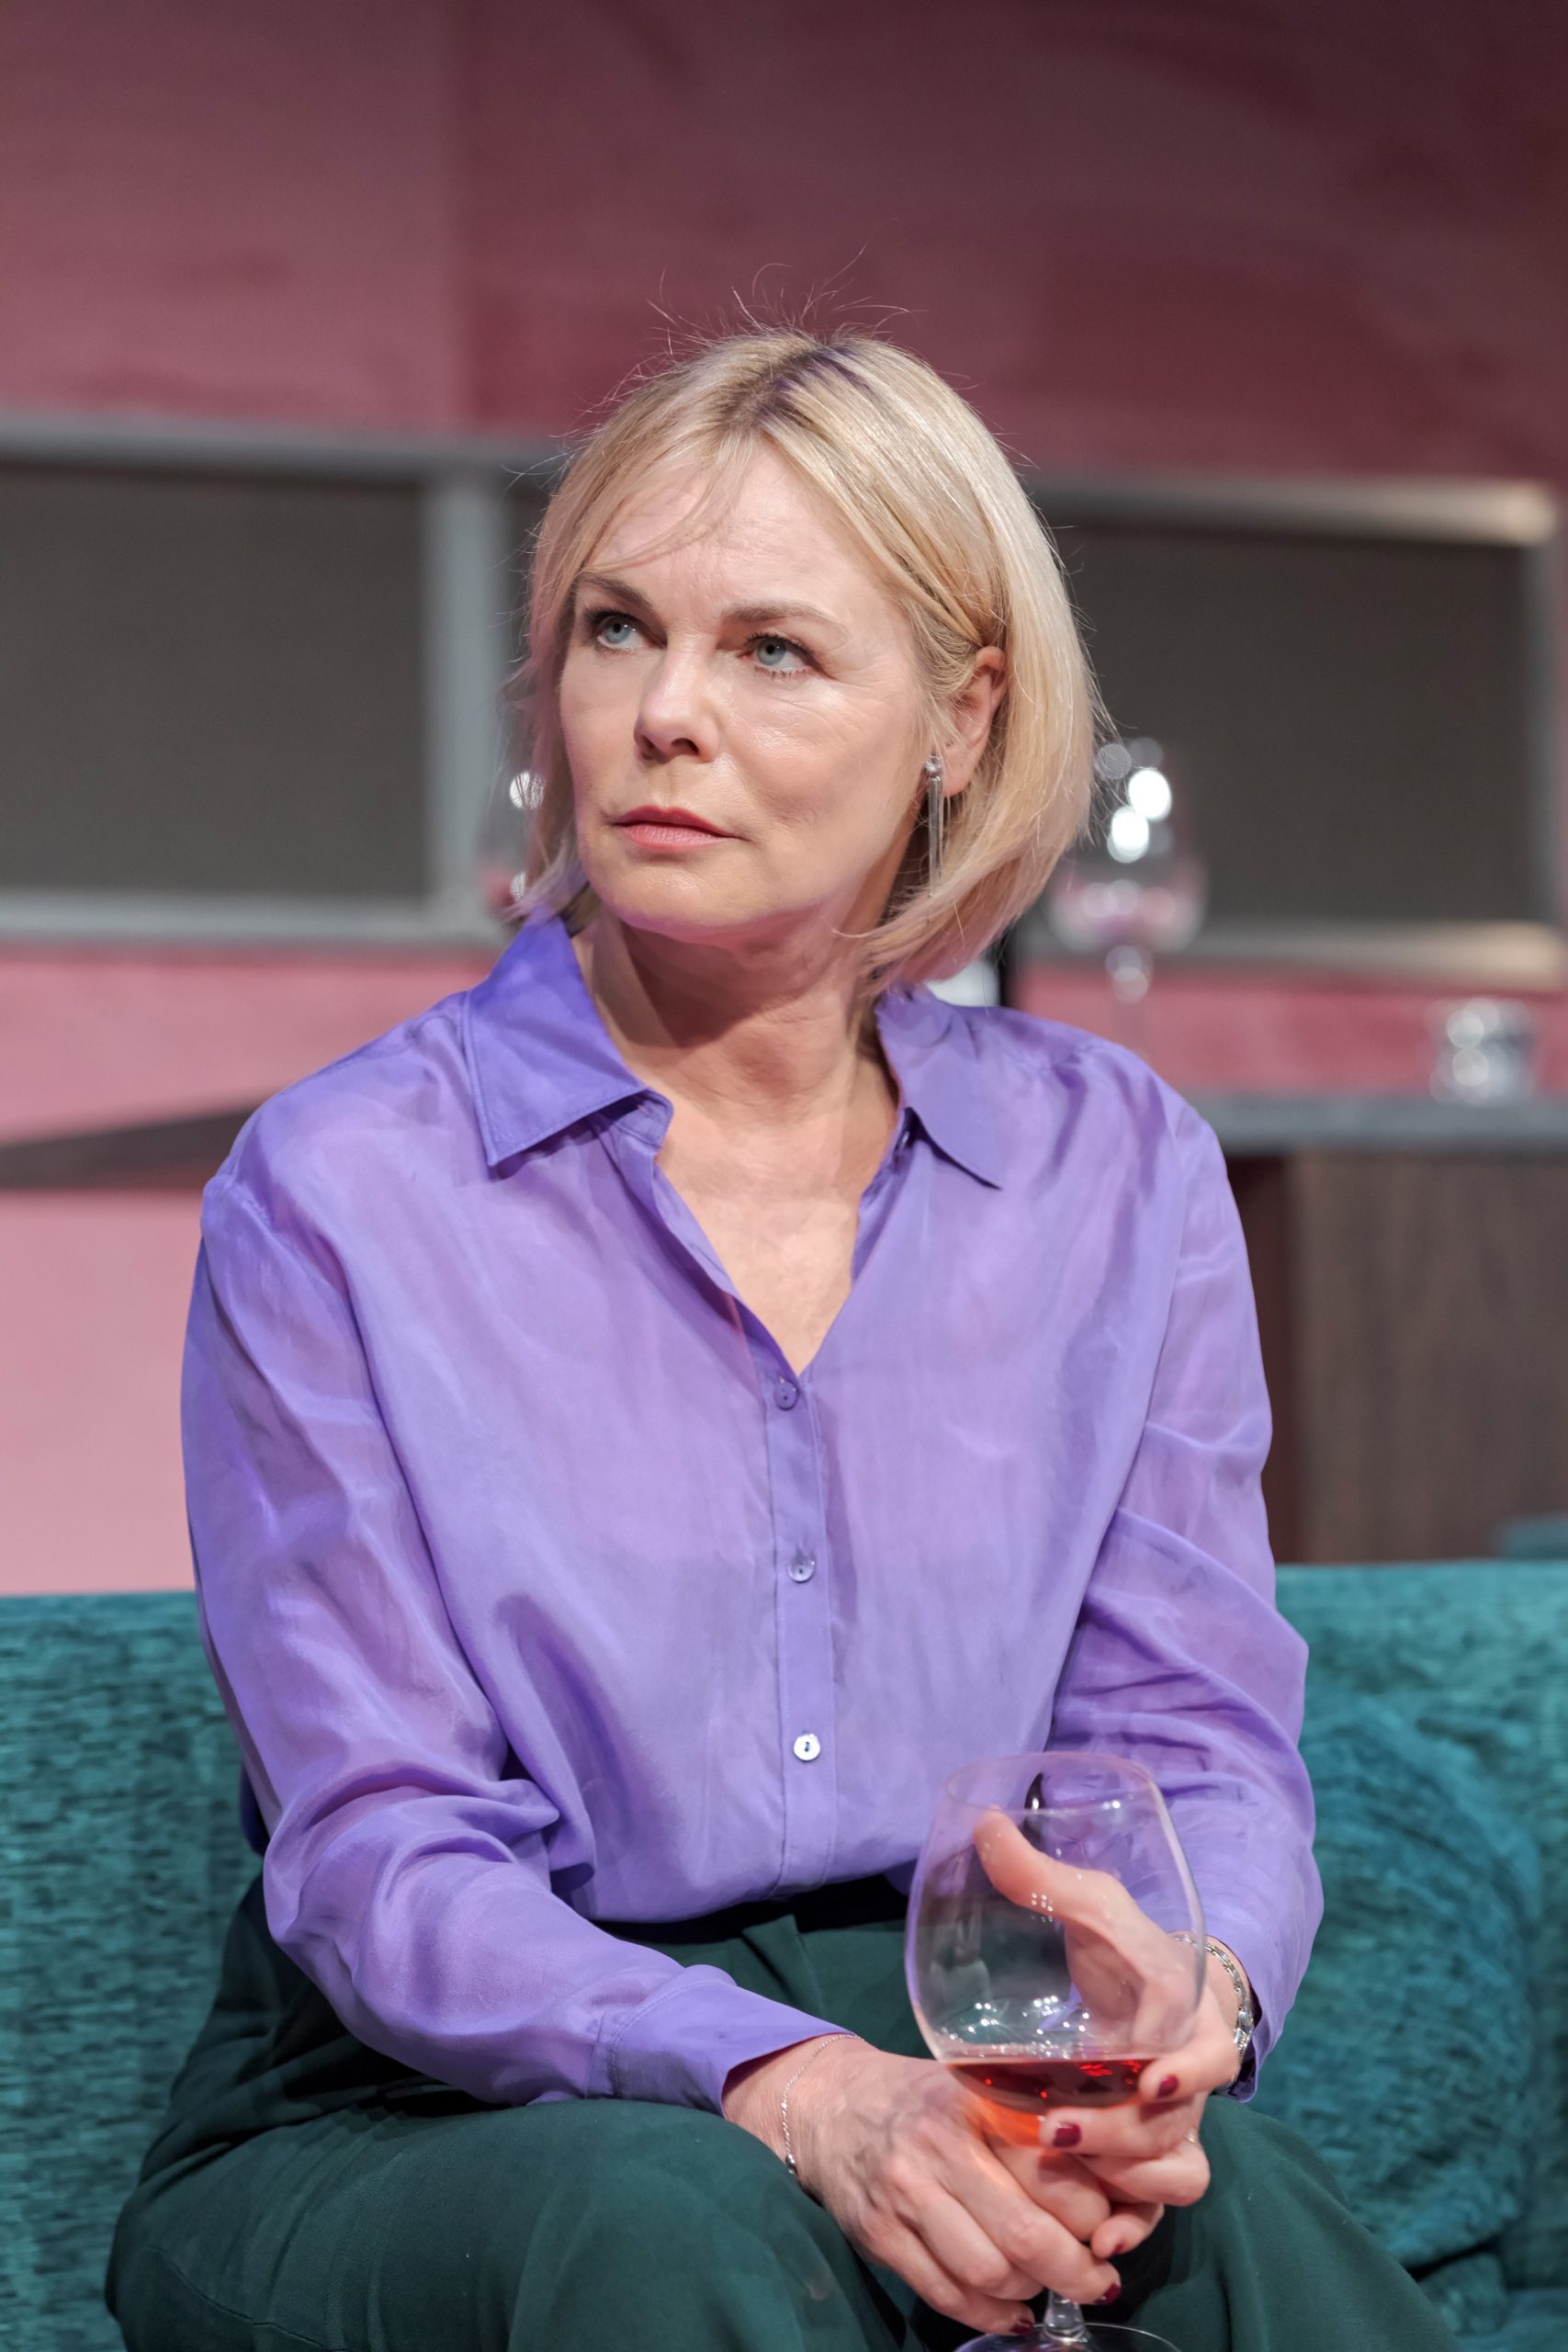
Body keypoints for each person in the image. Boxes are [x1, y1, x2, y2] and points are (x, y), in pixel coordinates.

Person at [106, 326, 1458, 2352]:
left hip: (948, 2042)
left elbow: (1191, 1743)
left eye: (771, 651)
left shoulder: (1114, 1171)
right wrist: (789, 2082)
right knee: (683, 2229)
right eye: (617, 630)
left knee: (1232, 2227)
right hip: (428, 2111)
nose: (663, 714)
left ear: (958, 717)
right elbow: (380, 1851)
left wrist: (1194, 1993)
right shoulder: (343, 1190)